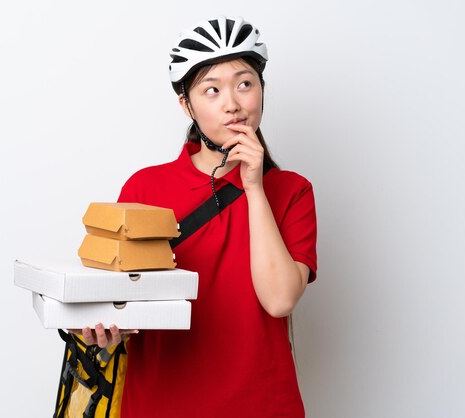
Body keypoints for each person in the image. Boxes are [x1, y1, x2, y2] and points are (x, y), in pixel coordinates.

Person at [79, 15, 317, 417]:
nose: (233, 104)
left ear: (261, 90)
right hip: (160, 404)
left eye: (245, 84)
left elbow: (279, 300)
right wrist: (103, 332)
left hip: (261, 405)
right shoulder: (144, 189)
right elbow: (116, 305)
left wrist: (255, 186)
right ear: (186, 104)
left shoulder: (292, 190)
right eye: (212, 90)